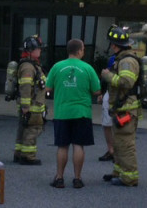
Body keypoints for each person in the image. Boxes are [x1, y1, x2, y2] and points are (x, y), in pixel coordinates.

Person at [45, 38, 101, 189]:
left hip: (62, 112)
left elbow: (47, 88)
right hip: (82, 112)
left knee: (62, 146)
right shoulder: (87, 68)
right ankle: (77, 178)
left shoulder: (57, 67)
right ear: (80, 51)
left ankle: (59, 178)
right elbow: (96, 91)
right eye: (83, 49)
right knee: (78, 145)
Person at [100, 25, 141, 187]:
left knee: (125, 144)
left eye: (112, 44)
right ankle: (118, 172)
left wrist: (108, 76)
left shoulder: (127, 61)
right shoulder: (122, 59)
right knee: (118, 143)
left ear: (116, 45)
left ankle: (130, 178)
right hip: (122, 109)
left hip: (127, 110)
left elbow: (126, 82)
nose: (110, 47)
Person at [14, 35, 46, 165]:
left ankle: (19, 153)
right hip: (32, 106)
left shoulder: (30, 65)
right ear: (32, 50)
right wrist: (26, 106)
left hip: (29, 105)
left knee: (23, 128)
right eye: (39, 49)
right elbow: (26, 87)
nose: (40, 51)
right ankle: (28, 156)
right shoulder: (28, 67)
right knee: (33, 129)